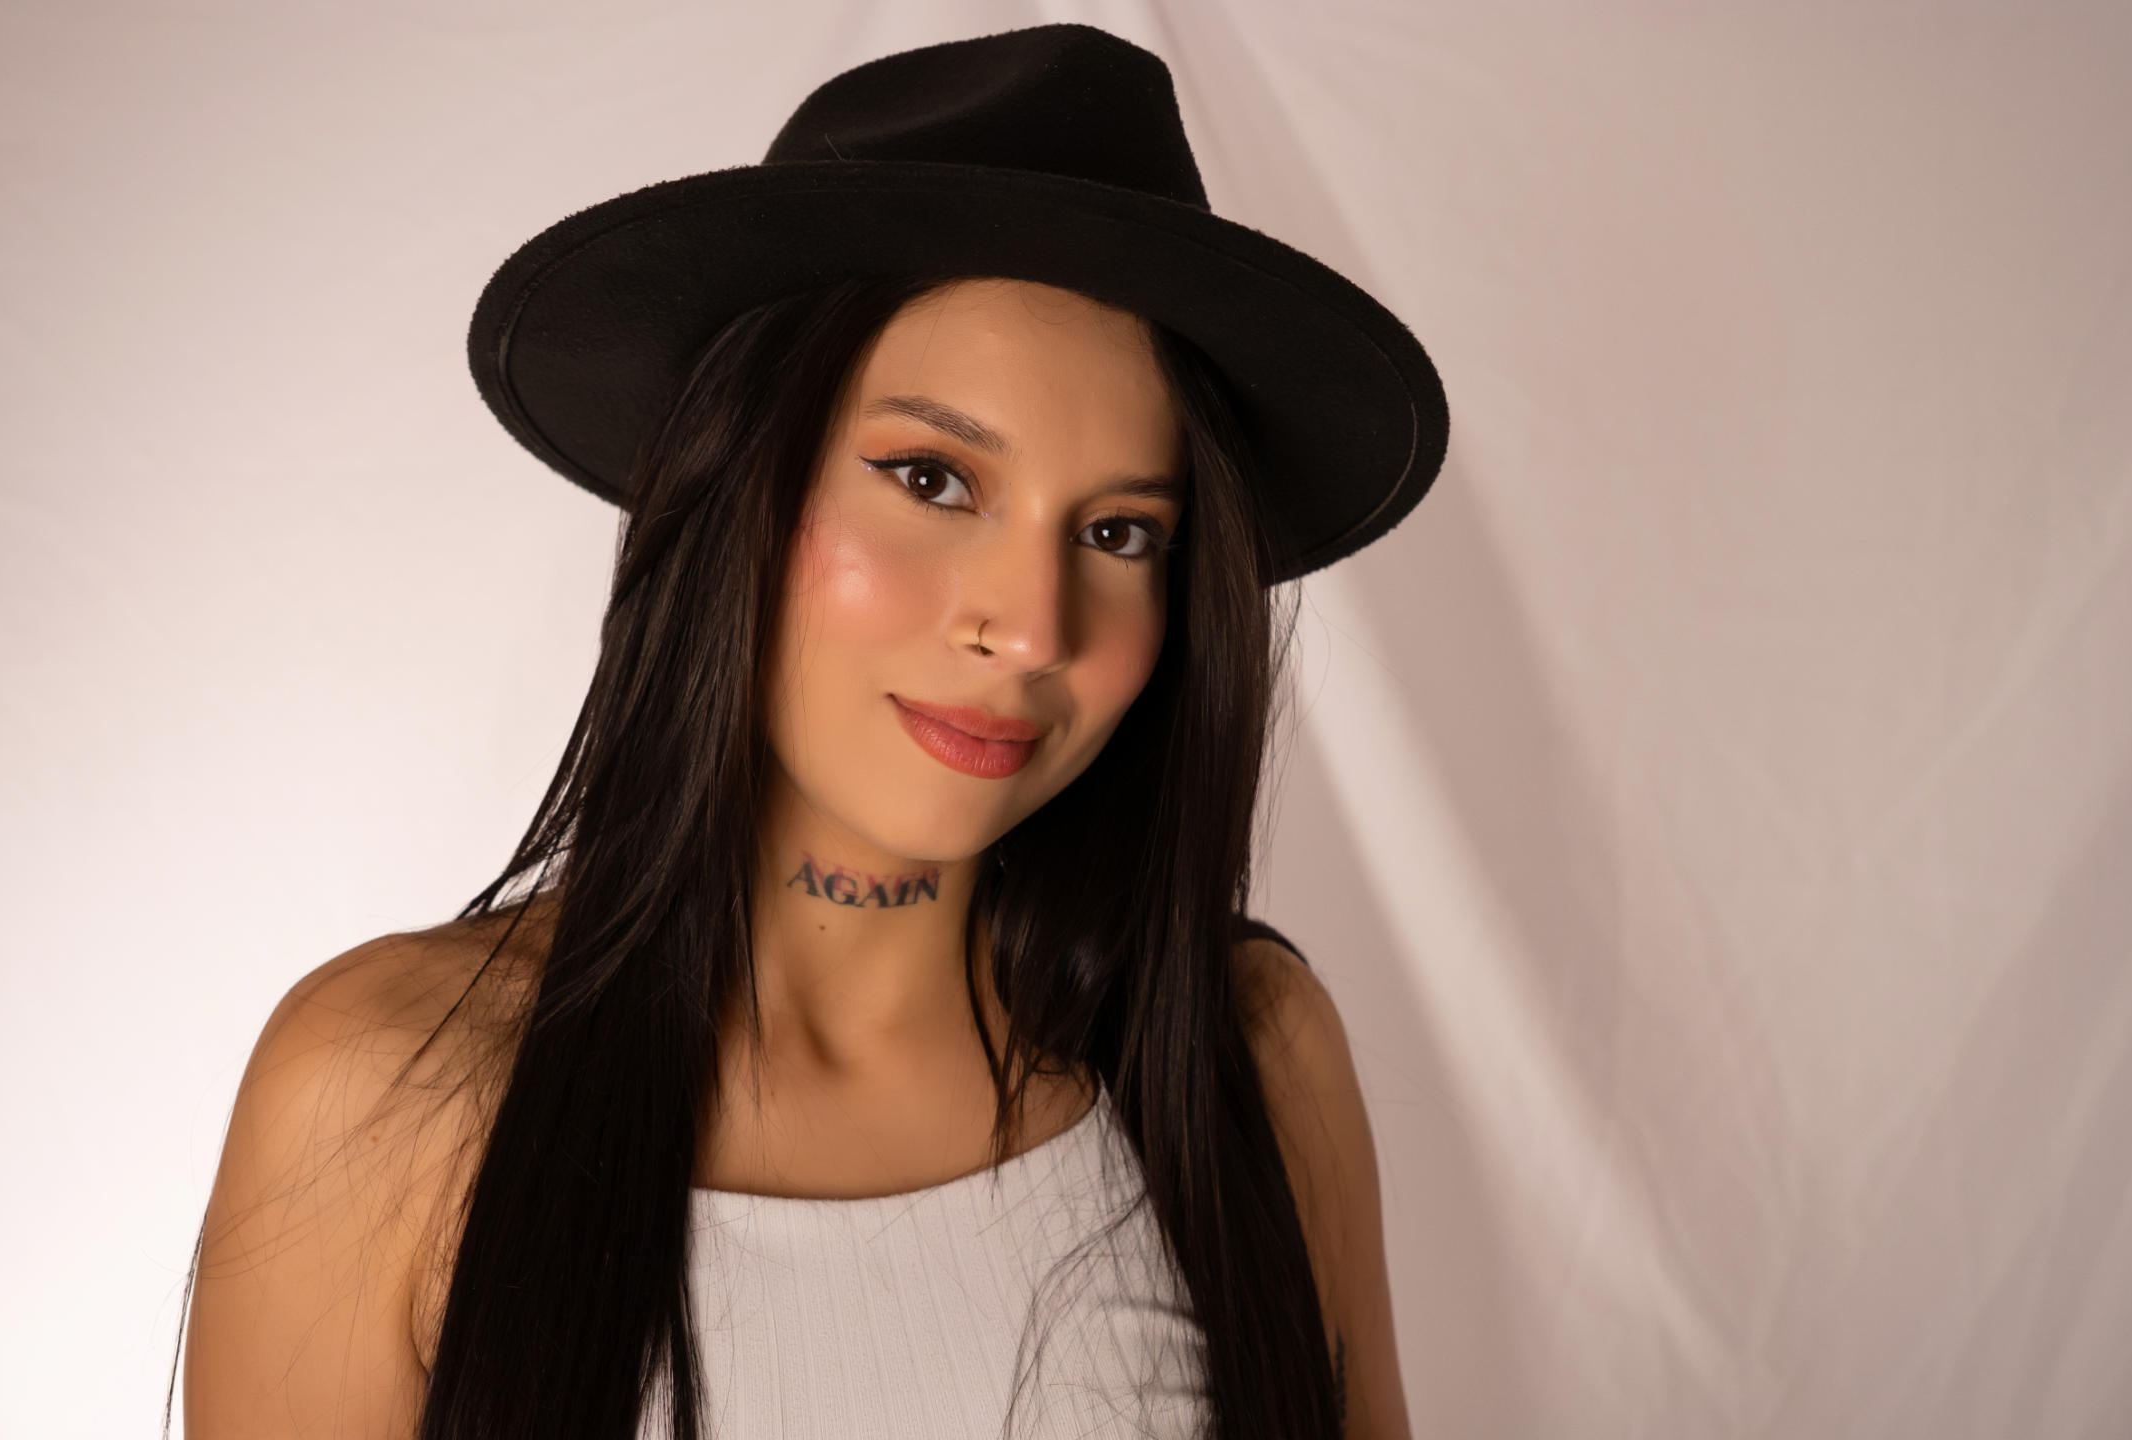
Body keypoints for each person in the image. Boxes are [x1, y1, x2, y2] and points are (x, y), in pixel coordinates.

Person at [175, 22, 1446, 1440]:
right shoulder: (383, 1092)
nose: (1032, 626)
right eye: (932, 478)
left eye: (1119, 532)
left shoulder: (1247, 1059)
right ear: (734, 488)